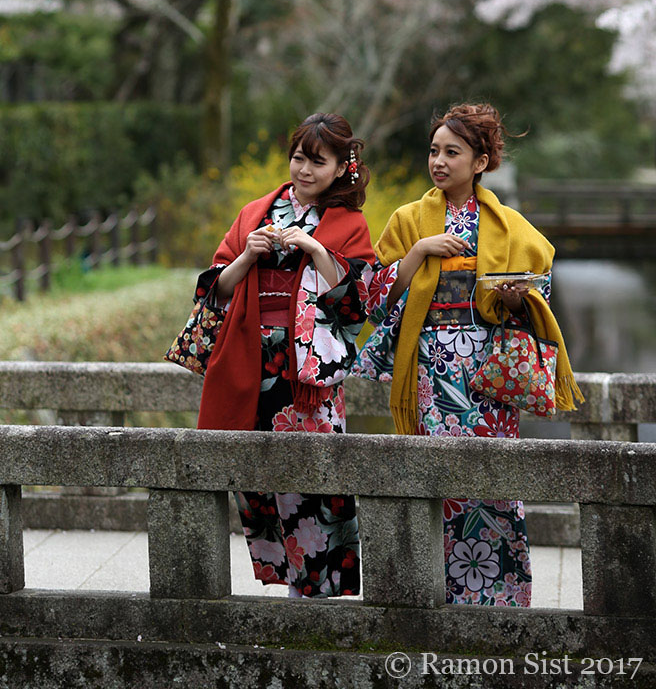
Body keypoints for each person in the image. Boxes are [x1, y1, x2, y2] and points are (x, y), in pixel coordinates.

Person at [351, 102, 583, 607]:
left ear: (480, 161)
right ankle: (427, 596)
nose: (439, 161)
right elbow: (372, 298)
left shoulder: (506, 224)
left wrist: (519, 298)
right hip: (431, 367)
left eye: (452, 152)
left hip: (487, 370)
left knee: (492, 478)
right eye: (434, 150)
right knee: (432, 479)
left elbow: (539, 280)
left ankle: (499, 600)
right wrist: (418, 252)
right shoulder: (410, 219)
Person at [195, 113, 375, 597]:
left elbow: (360, 301)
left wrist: (316, 249)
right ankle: (284, 577)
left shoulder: (349, 224)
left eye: (318, 162)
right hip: (252, 360)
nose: (304, 170)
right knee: (256, 474)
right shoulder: (256, 212)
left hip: (306, 371)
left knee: (317, 472)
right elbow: (212, 292)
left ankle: (316, 587)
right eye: (299, 158)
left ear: (341, 168)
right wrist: (246, 255)